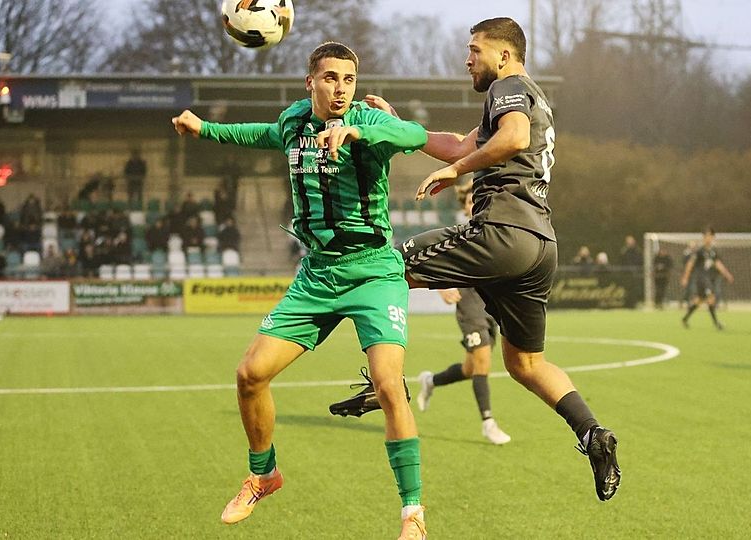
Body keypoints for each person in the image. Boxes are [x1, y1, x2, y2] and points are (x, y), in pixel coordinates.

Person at [335, 18, 621, 502]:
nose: (467, 59)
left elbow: (507, 139)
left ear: (504, 56)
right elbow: (457, 142)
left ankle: (387, 384)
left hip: (502, 232)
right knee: (526, 364)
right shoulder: (529, 96)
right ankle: (594, 435)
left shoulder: (508, 87)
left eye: (474, 50)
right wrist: (397, 125)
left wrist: (456, 170)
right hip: (538, 246)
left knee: (382, 265)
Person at [171, 41, 430, 539]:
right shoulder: (294, 122)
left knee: (387, 383)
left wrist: (361, 127)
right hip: (317, 275)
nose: (341, 89)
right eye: (330, 78)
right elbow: (260, 134)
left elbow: (415, 133)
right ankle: (264, 474)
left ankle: (412, 514)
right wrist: (204, 128)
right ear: (310, 82)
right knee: (250, 374)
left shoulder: (369, 122)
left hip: (374, 271)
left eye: (349, 80)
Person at [416, 183, 512, 445]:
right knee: (482, 361)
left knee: (472, 368)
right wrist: (441, 287)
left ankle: (431, 381)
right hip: (468, 304)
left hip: (491, 304)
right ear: (464, 206)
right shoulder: (458, 235)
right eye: (470, 201)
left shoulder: (494, 231)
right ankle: (488, 422)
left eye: (478, 200)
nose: (474, 204)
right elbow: (431, 261)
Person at [680, 227, 734, 330]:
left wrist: (727, 274)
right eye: (706, 236)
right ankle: (716, 323)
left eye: (710, 236)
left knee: (699, 300)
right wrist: (685, 277)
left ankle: (685, 319)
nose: (708, 238)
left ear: (713, 237)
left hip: (707, 278)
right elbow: (690, 264)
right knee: (711, 298)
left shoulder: (713, 251)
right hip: (701, 278)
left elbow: (718, 264)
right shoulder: (700, 251)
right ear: (703, 238)